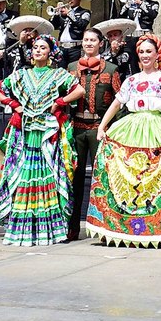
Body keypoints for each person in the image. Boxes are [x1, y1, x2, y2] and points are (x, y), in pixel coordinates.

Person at [85, 33, 161, 247]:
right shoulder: (131, 80)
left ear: (158, 54)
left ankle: (159, 226)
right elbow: (117, 103)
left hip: (158, 128)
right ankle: (120, 226)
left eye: (149, 51)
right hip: (131, 126)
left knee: (155, 173)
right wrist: (102, 126)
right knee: (128, 172)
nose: (145, 55)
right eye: (142, 52)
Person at [0, 34, 83, 246]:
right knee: (22, 176)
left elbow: (79, 90)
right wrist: (12, 104)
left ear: (51, 52)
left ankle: (49, 231)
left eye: (43, 47)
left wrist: (60, 101)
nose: (38, 50)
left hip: (48, 133)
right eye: (35, 47)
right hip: (25, 132)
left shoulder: (59, 74)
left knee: (48, 176)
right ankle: (21, 230)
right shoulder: (22, 74)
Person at [66, 27, 122, 240]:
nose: (88, 43)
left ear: (101, 43)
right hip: (77, 127)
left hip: (100, 129)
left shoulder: (111, 69)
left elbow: (120, 101)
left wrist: (112, 129)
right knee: (75, 178)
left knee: (103, 177)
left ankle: (104, 227)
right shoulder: (71, 67)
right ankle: (72, 226)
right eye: (85, 39)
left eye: (92, 40)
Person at [50, 0, 93, 65]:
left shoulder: (85, 12)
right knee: (61, 70)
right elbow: (53, 26)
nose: (70, 0)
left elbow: (82, 25)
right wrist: (56, 13)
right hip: (62, 47)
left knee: (74, 70)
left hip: (75, 48)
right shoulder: (63, 14)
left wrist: (69, 13)